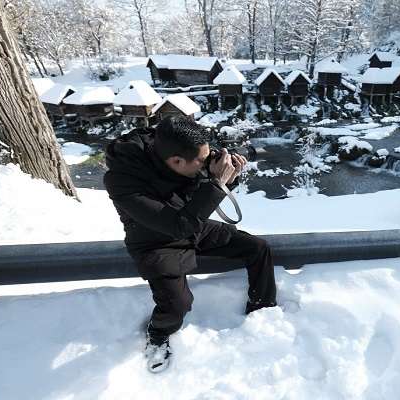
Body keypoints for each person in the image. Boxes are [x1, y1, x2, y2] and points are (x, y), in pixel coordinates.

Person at [103, 117, 277, 373]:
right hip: (155, 241)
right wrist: (216, 183)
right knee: (177, 303)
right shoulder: (122, 180)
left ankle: (262, 308)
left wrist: (228, 178)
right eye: (202, 161)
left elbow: (197, 201)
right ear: (176, 161)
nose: (206, 163)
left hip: (192, 225)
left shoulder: (182, 151)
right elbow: (177, 226)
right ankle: (158, 334)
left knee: (258, 247)